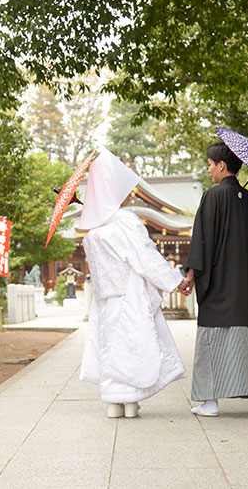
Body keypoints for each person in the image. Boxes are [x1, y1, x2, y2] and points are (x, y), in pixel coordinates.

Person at [79, 151, 187, 418]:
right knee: (133, 344)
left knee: (110, 344)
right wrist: (174, 281)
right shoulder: (125, 222)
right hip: (129, 294)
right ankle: (130, 402)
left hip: (106, 298)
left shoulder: (93, 231)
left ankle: (114, 403)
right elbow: (144, 257)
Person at [178, 141, 248, 416]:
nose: (208, 170)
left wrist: (192, 275)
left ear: (221, 165)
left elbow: (202, 242)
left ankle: (210, 402)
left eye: (209, 164)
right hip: (245, 286)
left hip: (219, 284)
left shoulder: (213, 197)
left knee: (213, 340)